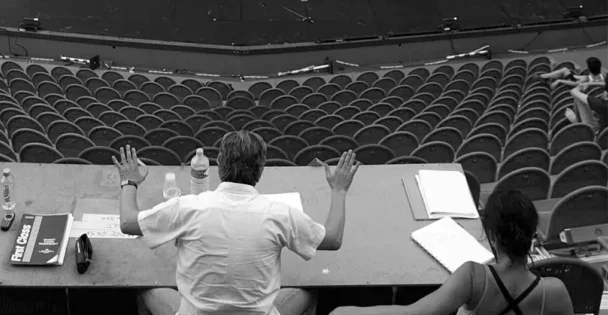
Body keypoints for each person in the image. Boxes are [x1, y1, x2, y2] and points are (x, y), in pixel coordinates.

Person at [112, 132, 360, 315]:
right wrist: (338, 190)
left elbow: (127, 222)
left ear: (219, 165)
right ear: (260, 171)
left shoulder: (188, 206)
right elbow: (333, 238)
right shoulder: (280, 214)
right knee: (309, 292)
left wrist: (129, 181)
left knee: (145, 291)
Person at [329, 190, 573, 315]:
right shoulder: (556, 291)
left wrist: (343, 312)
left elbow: (412, 313)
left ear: (495, 237)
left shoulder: (474, 277)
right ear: (534, 235)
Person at [536, 56, 605, 90]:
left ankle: (543, 77)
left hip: (574, 87)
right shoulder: (602, 75)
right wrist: (571, 75)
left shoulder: (586, 79)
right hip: (578, 82)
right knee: (565, 70)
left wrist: (560, 81)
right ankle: (544, 77)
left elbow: (575, 84)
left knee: (564, 71)